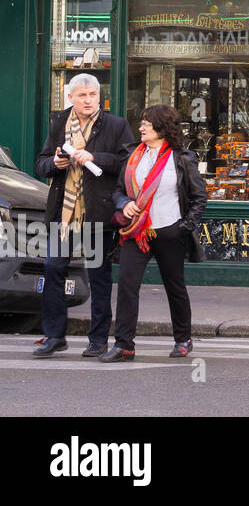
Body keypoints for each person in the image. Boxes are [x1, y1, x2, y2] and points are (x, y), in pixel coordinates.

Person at [32, 74, 134, 358]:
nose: (88, 100)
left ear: (98, 97)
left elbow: (129, 164)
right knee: (53, 268)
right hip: (62, 214)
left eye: (92, 95)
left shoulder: (115, 125)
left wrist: (95, 158)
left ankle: (98, 340)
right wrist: (54, 162)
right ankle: (54, 336)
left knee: (98, 276)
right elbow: (39, 164)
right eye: (82, 96)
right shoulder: (58, 123)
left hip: (97, 212)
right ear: (70, 98)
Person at [102, 104, 207, 362]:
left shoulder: (181, 158)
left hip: (169, 230)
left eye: (146, 124)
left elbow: (199, 197)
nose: (140, 128)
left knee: (174, 286)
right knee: (127, 285)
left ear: (161, 128)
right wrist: (124, 204)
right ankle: (124, 344)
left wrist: (186, 226)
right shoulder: (132, 155)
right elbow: (117, 191)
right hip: (135, 231)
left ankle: (183, 339)